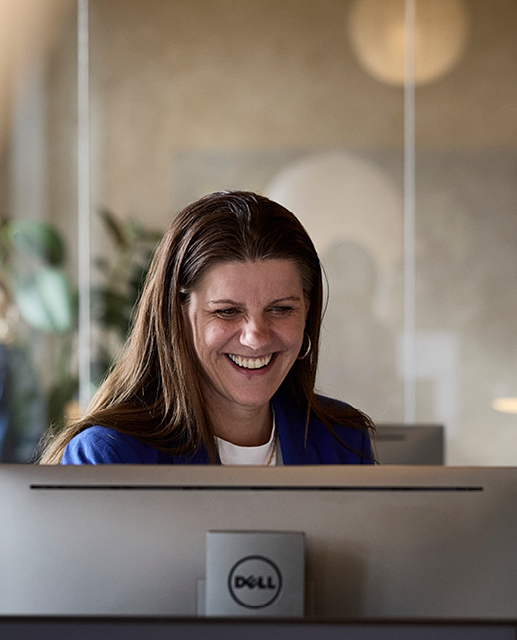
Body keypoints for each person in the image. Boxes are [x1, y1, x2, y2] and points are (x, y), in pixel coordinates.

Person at [41, 190, 373, 466]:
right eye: (227, 311)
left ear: (307, 312)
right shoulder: (110, 456)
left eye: (281, 309)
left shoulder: (342, 442)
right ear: (176, 317)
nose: (256, 337)